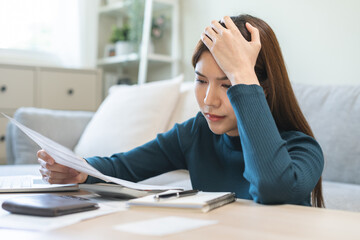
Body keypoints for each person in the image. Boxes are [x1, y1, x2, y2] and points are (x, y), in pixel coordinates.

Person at [38, 14, 324, 207]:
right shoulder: (196, 134)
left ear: (259, 90)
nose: (208, 100)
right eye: (201, 81)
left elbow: (272, 187)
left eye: (228, 84)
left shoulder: (303, 149)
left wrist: (242, 73)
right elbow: (123, 167)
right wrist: (78, 171)